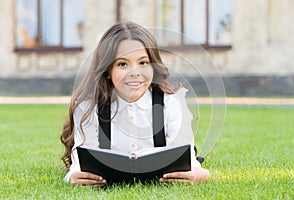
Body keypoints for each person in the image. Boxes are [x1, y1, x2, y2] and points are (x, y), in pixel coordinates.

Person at [60, 21, 210, 187]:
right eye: (122, 64)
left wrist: (199, 173)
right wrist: (74, 176)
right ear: (107, 70)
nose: (135, 73)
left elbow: (186, 155)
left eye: (143, 63)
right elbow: (81, 160)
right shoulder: (88, 106)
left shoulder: (171, 102)